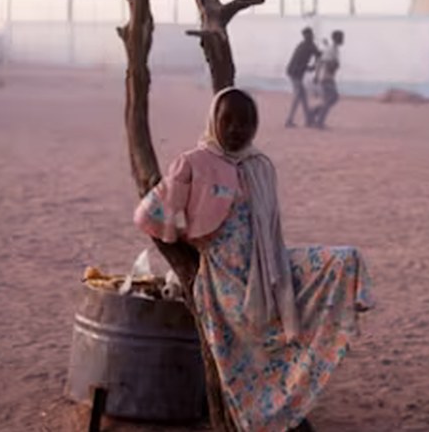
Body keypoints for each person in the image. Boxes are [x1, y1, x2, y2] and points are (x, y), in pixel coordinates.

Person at [134, 88, 373, 432]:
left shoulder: (260, 165)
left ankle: (355, 303)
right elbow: (149, 214)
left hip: (269, 268)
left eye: (245, 122)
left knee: (345, 258)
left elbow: (272, 229)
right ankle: (273, 417)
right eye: (227, 120)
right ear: (213, 121)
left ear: (255, 125)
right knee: (256, 350)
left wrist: (272, 271)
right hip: (223, 279)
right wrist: (186, 244)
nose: (236, 129)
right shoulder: (192, 163)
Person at [284, 28, 321, 127]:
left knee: (303, 96)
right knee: (298, 96)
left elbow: (315, 56)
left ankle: (308, 119)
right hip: (295, 73)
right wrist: (311, 67)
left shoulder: (304, 45)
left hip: (294, 72)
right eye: (309, 35)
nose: (310, 36)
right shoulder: (308, 46)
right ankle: (289, 120)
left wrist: (311, 67)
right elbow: (318, 55)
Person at [308, 30, 344, 129]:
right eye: (341, 37)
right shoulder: (331, 49)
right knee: (330, 99)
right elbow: (321, 62)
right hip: (325, 78)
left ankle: (313, 113)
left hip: (330, 77)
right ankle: (319, 122)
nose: (343, 39)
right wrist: (316, 76)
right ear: (336, 38)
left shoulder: (334, 49)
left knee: (333, 98)